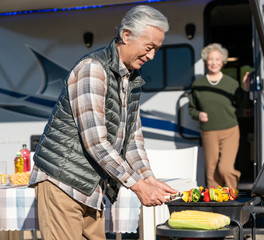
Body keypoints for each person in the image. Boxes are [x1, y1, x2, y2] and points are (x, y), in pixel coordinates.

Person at [28, 5, 177, 240]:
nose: (151, 56)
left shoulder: (131, 80)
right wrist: (138, 186)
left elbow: (133, 141)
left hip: (91, 187)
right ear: (126, 35)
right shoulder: (93, 69)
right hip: (62, 182)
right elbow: (95, 142)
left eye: (156, 50)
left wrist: (149, 179)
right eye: (149, 48)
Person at [188, 43, 250, 190]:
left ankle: (232, 197)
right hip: (208, 132)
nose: (214, 62)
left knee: (225, 168)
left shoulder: (231, 83)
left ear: (222, 62)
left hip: (230, 130)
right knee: (211, 170)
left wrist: (246, 88)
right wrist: (198, 114)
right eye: (210, 59)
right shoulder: (198, 84)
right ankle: (215, 203)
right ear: (205, 61)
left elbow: (244, 104)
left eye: (217, 59)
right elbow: (191, 108)